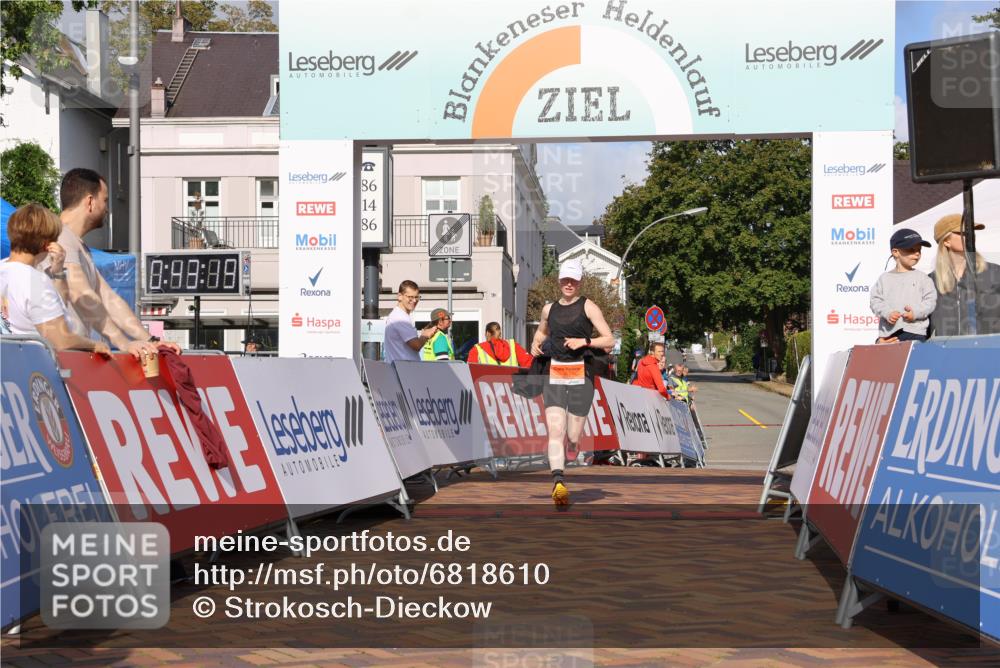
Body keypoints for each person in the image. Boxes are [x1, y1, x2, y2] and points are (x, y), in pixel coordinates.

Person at [39, 168, 179, 360]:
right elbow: (83, 295)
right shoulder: (61, 237)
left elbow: (108, 298)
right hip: (59, 361)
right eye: (104, 200)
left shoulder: (76, 244)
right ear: (90, 201)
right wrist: (124, 343)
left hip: (73, 358)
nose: (107, 209)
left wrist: (151, 340)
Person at [530, 259, 614, 506]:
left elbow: (609, 340)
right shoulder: (549, 309)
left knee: (574, 436)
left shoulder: (589, 307)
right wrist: (536, 343)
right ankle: (558, 482)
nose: (569, 284)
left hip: (580, 374)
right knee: (555, 431)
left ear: (579, 282)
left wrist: (584, 342)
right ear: (559, 281)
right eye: (565, 279)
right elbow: (542, 332)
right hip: (555, 373)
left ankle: (573, 447)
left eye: (573, 280)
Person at [1, 203, 110, 355]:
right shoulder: (35, 281)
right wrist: (94, 345)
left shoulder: (4, 269)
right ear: (47, 245)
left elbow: (57, 306)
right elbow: (61, 340)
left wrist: (57, 271)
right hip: (39, 369)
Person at [928, 214, 1000, 337]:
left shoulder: (995, 272)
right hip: (947, 354)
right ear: (946, 241)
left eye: (972, 232)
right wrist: (892, 339)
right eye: (963, 232)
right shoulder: (930, 281)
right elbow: (918, 324)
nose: (970, 235)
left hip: (990, 352)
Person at [870, 228, 936, 342]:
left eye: (919, 250)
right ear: (895, 252)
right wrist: (888, 313)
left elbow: (930, 302)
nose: (917, 253)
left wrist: (915, 313)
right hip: (890, 334)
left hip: (916, 333)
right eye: (911, 249)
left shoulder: (923, 278)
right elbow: (875, 301)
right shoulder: (884, 279)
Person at [383, 280, 439, 363]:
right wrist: (426, 335)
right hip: (403, 371)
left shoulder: (399, 316)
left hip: (402, 370)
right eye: (410, 297)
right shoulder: (400, 318)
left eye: (417, 297)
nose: (414, 300)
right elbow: (416, 345)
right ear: (399, 296)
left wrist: (423, 334)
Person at [467, 321, 533, 367]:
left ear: (487, 333)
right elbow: (529, 364)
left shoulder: (476, 350)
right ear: (500, 333)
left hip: (487, 386)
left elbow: (470, 373)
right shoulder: (513, 345)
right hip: (512, 385)